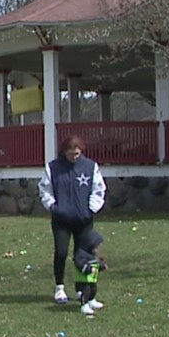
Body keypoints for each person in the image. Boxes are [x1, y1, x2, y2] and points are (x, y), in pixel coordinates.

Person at [38, 135, 107, 305]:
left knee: (84, 255)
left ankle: (84, 290)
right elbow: (45, 189)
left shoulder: (90, 167)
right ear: (64, 152)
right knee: (61, 252)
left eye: (77, 154)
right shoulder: (53, 168)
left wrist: (92, 208)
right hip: (61, 219)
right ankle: (59, 287)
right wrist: (53, 206)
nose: (74, 158)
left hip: (84, 219)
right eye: (70, 154)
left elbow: (98, 189)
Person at [73, 229, 107, 316]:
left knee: (93, 289)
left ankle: (91, 300)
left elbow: (95, 265)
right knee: (86, 291)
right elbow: (80, 265)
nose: (98, 249)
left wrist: (101, 266)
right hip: (83, 279)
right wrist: (88, 269)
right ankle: (84, 305)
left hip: (91, 278)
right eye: (97, 247)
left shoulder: (92, 255)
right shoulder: (80, 254)